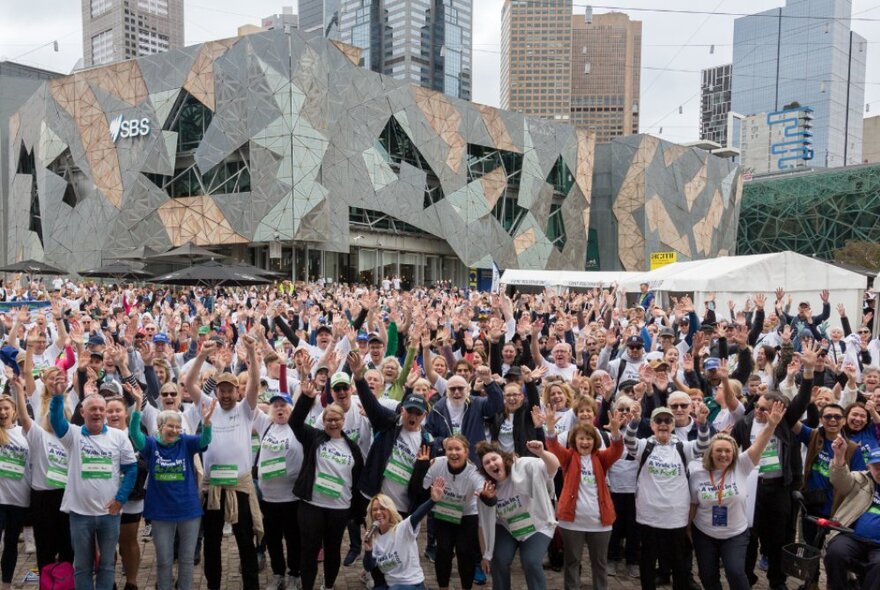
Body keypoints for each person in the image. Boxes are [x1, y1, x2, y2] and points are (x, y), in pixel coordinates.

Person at [185, 336, 262, 590]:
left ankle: (251, 585)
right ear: (217, 391)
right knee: (212, 542)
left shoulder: (245, 409)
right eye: (223, 390)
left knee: (244, 542)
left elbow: (254, 383)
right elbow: (188, 382)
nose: (227, 394)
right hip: (213, 488)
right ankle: (213, 585)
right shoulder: (208, 407)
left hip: (239, 487)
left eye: (231, 390)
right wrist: (200, 355)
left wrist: (250, 352)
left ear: (236, 392)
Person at [49, 380, 138, 590]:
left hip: (109, 514)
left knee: (107, 566)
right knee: (82, 566)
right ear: (83, 412)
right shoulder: (74, 434)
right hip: (80, 514)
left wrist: (120, 499)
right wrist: (57, 397)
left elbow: (131, 470)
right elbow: (56, 421)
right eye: (93, 409)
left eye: (101, 409)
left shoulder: (118, 437)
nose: (97, 412)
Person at [689, 401, 785, 590]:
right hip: (705, 533)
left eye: (728, 451)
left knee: (735, 572)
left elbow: (758, 446)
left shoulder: (741, 465)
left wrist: (771, 425)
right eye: (718, 450)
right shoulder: (697, 471)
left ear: (734, 453)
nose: (723, 455)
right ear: (710, 452)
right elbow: (693, 504)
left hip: (735, 533)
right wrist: (687, 529)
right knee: (707, 575)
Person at [128, 390, 214, 590]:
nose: (175, 430)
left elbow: (204, 441)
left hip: (189, 510)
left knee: (186, 559)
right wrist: (139, 405)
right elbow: (134, 434)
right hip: (160, 511)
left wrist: (207, 423)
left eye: (178, 427)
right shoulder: (150, 445)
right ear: (160, 427)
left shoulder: (186, 442)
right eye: (170, 426)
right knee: (164, 560)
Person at [290, 375, 364, 590]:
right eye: (329, 419)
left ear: (343, 421)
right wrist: (305, 398)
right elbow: (295, 423)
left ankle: (329, 586)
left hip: (339, 508)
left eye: (336, 419)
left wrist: (356, 512)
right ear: (323, 421)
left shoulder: (353, 449)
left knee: (333, 550)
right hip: (312, 505)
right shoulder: (314, 438)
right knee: (310, 551)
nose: (333, 423)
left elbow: (357, 480)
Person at [625, 405, 710, 590]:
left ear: (673, 425)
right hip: (649, 515)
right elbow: (628, 441)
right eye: (658, 420)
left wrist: (702, 424)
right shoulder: (644, 445)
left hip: (675, 516)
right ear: (653, 425)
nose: (663, 424)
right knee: (648, 560)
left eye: (667, 421)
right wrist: (635, 420)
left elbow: (702, 445)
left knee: (678, 561)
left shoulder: (682, 447)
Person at [543, 407, 624, 590]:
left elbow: (617, 450)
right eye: (581, 438)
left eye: (588, 438)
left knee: (600, 564)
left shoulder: (601, 458)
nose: (585, 442)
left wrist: (616, 432)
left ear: (594, 441)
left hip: (600, 522)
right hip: (572, 522)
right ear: (574, 441)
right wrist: (549, 428)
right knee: (571, 562)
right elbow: (554, 446)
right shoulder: (568, 458)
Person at [476, 439, 560, 590]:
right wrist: (485, 555)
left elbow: (554, 467)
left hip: (538, 525)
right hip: (508, 527)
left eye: (494, 459)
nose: (492, 464)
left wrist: (541, 453)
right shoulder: (486, 487)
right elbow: (483, 524)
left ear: (503, 458)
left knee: (531, 561)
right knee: (499, 559)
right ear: (484, 469)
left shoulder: (524, 466)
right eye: (487, 463)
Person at [410, 434, 485, 590]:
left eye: (458, 449)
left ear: (466, 452)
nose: (453, 453)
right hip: (444, 513)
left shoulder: (473, 472)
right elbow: (422, 488)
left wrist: (484, 495)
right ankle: (443, 587)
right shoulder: (438, 464)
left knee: (465, 552)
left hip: (467, 514)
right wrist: (422, 466)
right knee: (443, 551)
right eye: (449, 449)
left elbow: (482, 488)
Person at [252, 388, 304, 590]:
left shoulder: (297, 427)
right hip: (268, 498)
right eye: (276, 405)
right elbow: (250, 403)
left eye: (283, 405)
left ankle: (294, 574)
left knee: (293, 539)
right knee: (272, 539)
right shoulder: (266, 425)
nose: (279, 409)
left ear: (291, 408)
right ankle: (278, 574)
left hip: (291, 498)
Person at [362, 478, 445, 590]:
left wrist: (433, 500)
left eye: (382, 508)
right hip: (391, 585)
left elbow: (417, 516)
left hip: (412, 584)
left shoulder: (402, 529)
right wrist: (368, 550)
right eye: (374, 510)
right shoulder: (375, 538)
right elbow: (369, 567)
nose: (378, 512)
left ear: (390, 511)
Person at [824, 439, 880, 590]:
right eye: (877, 467)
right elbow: (840, 480)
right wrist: (839, 457)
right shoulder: (862, 480)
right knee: (836, 553)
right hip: (852, 536)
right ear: (869, 466)